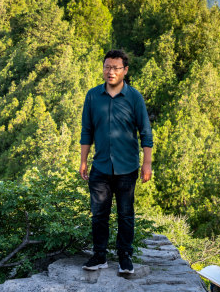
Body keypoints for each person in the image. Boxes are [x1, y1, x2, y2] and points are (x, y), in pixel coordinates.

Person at [80, 49, 153, 275]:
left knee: (125, 214)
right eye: (107, 67)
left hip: (127, 167)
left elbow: (146, 132)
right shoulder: (93, 96)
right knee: (99, 214)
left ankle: (125, 257)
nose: (111, 72)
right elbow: (87, 130)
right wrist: (83, 160)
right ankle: (99, 256)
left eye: (116, 68)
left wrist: (147, 163)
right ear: (103, 69)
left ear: (125, 71)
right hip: (100, 166)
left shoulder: (134, 97)